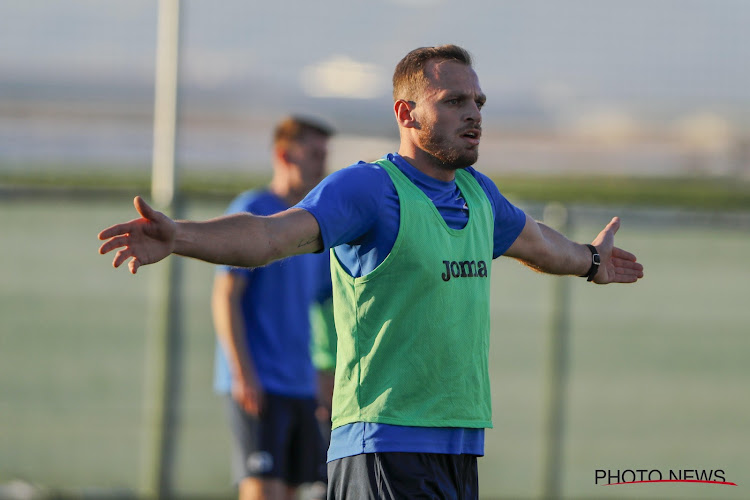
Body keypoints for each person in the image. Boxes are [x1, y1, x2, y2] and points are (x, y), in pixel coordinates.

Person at [98, 44, 644, 499]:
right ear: (406, 114)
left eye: (478, 100)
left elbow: (537, 242)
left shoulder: (479, 194)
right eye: (453, 101)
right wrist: (183, 237)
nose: (473, 113)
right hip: (383, 446)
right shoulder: (369, 189)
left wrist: (591, 261)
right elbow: (268, 235)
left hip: (461, 444)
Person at [210, 116, 334, 500]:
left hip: (301, 387)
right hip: (260, 385)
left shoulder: (311, 226)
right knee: (263, 492)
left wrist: (324, 387)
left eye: (324, 155)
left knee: (292, 492)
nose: (322, 165)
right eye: (314, 154)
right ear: (284, 154)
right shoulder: (254, 210)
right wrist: (243, 373)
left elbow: (323, 313)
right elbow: (225, 295)